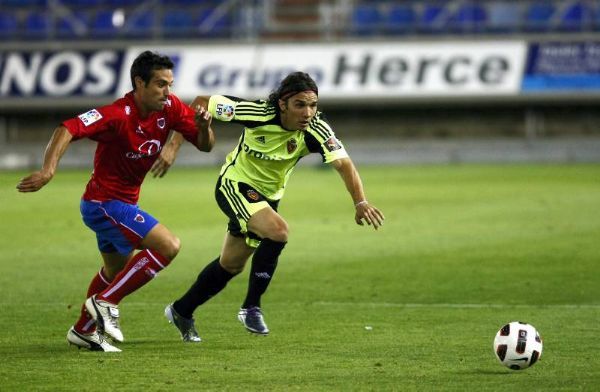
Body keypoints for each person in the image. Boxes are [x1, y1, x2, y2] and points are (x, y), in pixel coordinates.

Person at [152, 71, 385, 342]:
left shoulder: (317, 129)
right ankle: (251, 307)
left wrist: (360, 202)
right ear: (283, 104)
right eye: (300, 105)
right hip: (235, 185)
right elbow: (201, 102)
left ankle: (181, 310)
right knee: (279, 231)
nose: (308, 112)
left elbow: (344, 164)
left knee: (230, 265)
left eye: (313, 105)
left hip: (267, 198)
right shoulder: (258, 113)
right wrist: (173, 146)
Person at [16, 51, 215, 352]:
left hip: (121, 206)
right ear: (139, 83)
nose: (168, 92)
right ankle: (106, 302)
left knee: (113, 273)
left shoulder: (170, 108)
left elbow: (205, 145)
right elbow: (67, 127)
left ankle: (82, 331)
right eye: (161, 84)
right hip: (102, 204)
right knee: (168, 245)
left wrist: (202, 126)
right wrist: (48, 169)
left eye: (170, 84)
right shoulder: (117, 115)